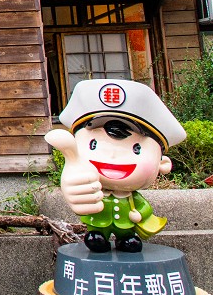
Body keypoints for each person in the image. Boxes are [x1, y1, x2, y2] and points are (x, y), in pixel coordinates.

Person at [45, 78, 186, 253]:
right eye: (94, 145)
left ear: (163, 164)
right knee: (96, 237)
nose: (112, 155)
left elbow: (143, 206)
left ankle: (125, 238)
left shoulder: (130, 196)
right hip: (99, 222)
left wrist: (140, 214)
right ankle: (98, 237)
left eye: (136, 149)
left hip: (126, 224)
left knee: (129, 241)